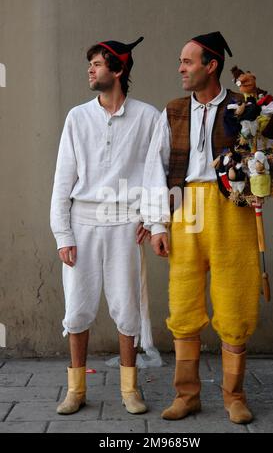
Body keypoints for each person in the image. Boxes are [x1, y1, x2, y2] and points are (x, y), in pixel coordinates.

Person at [141, 31, 261, 424]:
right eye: (181, 61)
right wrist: (158, 224)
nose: (180, 68)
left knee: (235, 303)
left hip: (234, 211)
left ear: (211, 66)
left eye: (187, 62)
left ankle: (234, 396)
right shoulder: (173, 110)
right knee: (184, 303)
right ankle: (186, 394)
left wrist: (265, 183)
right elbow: (154, 169)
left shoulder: (244, 107)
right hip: (185, 209)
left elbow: (265, 154)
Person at [50, 36, 160, 415]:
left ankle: (130, 389)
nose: (90, 70)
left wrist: (150, 218)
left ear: (118, 70)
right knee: (77, 308)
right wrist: (63, 233)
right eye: (91, 64)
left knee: (127, 308)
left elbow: (154, 174)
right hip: (82, 222)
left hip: (124, 224)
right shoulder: (77, 117)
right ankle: (75, 389)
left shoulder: (148, 117)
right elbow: (63, 180)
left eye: (97, 64)